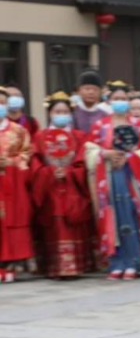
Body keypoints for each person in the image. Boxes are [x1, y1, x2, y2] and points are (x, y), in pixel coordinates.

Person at [84, 82, 140, 280]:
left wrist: (129, 157)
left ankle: (136, 261)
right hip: (110, 177)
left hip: (132, 178)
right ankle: (116, 262)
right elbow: (88, 150)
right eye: (116, 99)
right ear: (109, 101)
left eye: (124, 99)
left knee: (132, 215)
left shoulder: (139, 126)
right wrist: (106, 153)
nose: (120, 102)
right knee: (113, 216)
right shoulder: (100, 126)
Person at [31, 92, 94, 279]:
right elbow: (35, 164)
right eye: (57, 111)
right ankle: (55, 266)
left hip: (72, 187)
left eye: (65, 111)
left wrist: (69, 172)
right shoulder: (39, 137)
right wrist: (49, 173)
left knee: (73, 219)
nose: (61, 114)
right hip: (49, 188)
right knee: (54, 221)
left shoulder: (79, 136)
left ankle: (75, 266)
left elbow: (83, 162)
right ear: (50, 113)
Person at [0, 87, 33, 283]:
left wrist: (10, 162)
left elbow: (26, 154)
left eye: (2, 103)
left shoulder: (19, 131)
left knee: (11, 221)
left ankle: (11, 263)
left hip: (12, 184)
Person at [72, 70, 111, 136]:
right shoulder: (73, 112)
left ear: (100, 92)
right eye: (87, 89)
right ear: (79, 91)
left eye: (95, 89)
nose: (91, 92)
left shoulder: (104, 115)